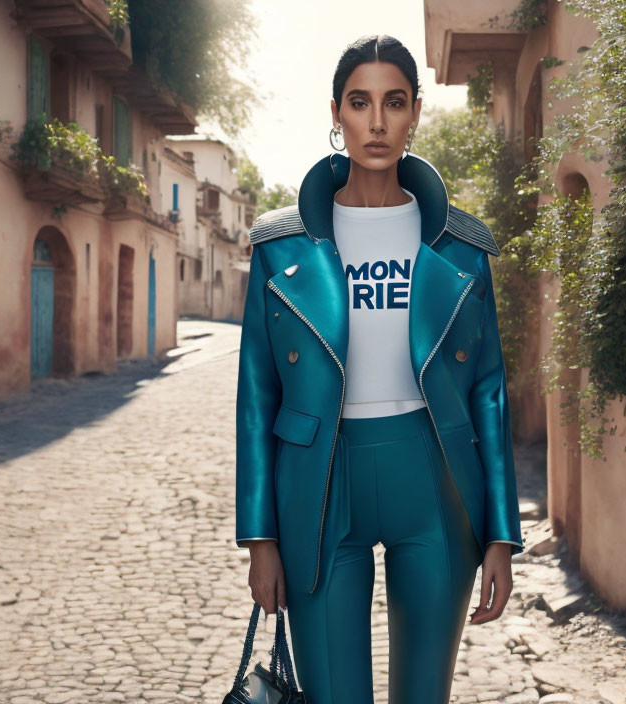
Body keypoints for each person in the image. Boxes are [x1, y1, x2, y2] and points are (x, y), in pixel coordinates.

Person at [234, 34, 524, 704]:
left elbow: (488, 392)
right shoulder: (281, 250)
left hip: (434, 484)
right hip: (318, 486)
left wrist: (501, 535)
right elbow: (257, 395)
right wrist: (260, 538)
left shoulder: (461, 248)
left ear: (415, 113)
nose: (377, 121)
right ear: (335, 111)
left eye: (394, 103)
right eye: (360, 103)